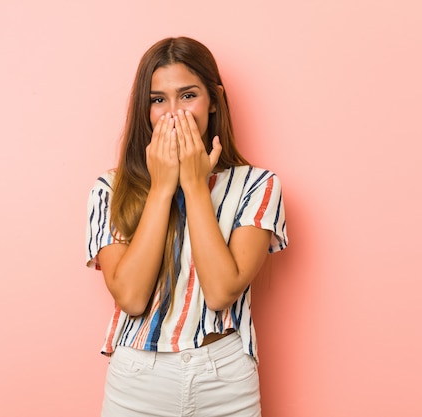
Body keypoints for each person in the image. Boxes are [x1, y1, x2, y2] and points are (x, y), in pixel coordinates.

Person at [85, 36, 288, 417]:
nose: (173, 113)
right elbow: (130, 297)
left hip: (225, 380)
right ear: (145, 110)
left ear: (214, 100)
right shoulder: (111, 189)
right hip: (137, 381)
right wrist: (162, 187)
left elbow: (221, 291)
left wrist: (195, 185)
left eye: (188, 95)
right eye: (158, 100)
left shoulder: (257, 185)